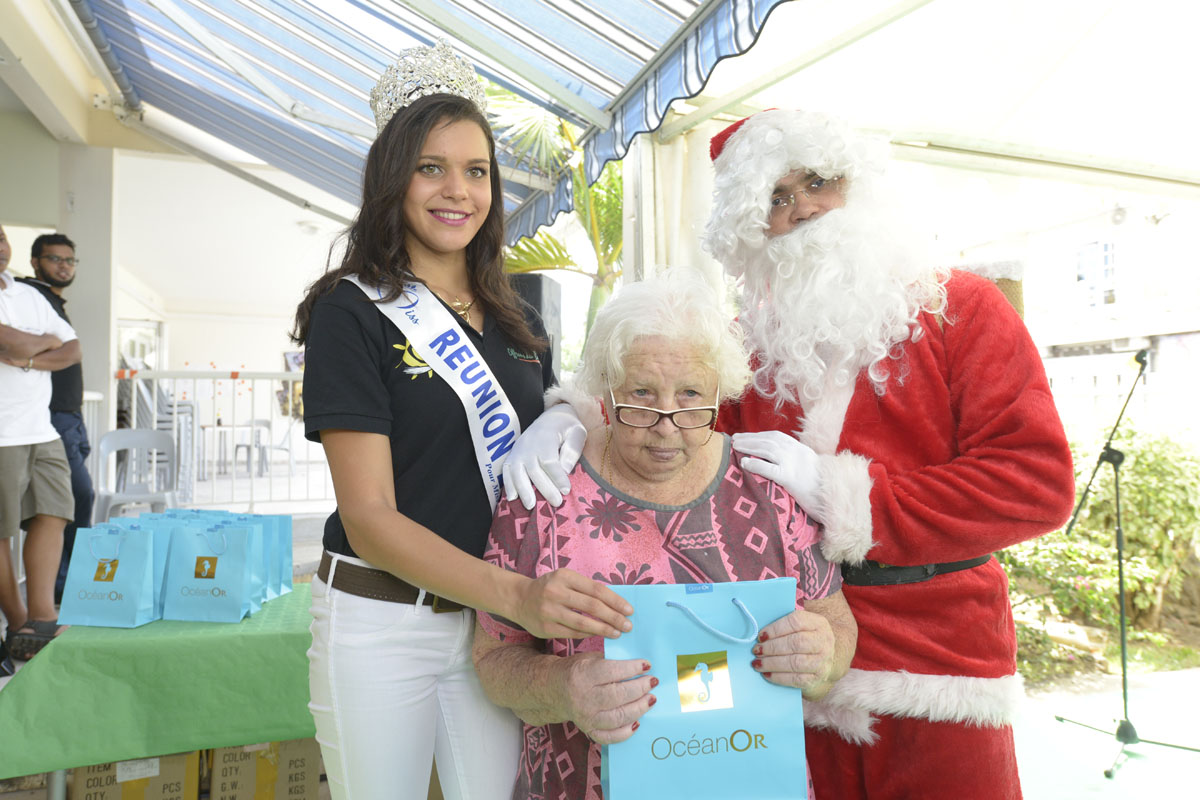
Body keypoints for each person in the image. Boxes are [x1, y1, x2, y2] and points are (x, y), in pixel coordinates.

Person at [505, 110, 1076, 799]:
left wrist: (850, 498)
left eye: (818, 182)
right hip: (787, 660)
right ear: (753, 230)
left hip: (938, 662)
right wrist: (572, 416)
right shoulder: (750, 346)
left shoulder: (965, 309)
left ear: (858, 186)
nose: (803, 207)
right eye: (775, 198)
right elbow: (674, 414)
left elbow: (1036, 484)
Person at [290, 41, 633, 800]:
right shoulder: (353, 312)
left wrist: (567, 420)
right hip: (385, 624)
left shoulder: (517, 312)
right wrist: (514, 595)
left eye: (476, 170)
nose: (459, 191)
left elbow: (549, 457)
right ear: (393, 179)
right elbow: (370, 515)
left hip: (497, 635)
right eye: (431, 167)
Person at [473, 270, 855, 800]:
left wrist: (823, 654)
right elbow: (493, 659)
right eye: (642, 395)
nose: (667, 425)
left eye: (692, 395)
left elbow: (837, 625)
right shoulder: (545, 492)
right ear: (606, 388)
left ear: (720, 391)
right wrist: (564, 687)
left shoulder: (770, 487)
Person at [0, 224, 80, 670]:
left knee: (54, 513)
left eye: (0, 238)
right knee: (1, 534)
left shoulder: (28, 295)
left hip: (41, 428)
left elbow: (72, 347)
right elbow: (8, 339)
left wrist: (29, 355)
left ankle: (42, 617)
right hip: (1, 434)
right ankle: (16, 625)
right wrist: (38, 344)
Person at [17, 233, 94, 604]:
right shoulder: (27, 296)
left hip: (70, 417)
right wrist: (39, 355)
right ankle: (68, 585)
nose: (64, 266)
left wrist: (45, 351)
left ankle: (74, 581)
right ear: (35, 261)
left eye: (70, 260)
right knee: (71, 500)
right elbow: (45, 347)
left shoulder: (50, 301)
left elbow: (72, 350)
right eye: (54, 259)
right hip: (50, 419)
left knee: (76, 500)